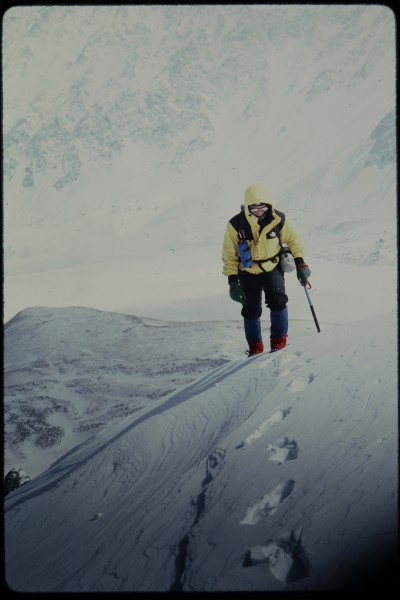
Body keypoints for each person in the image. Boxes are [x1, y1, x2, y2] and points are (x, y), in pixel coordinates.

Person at [222, 182, 311, 355]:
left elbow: (293, 240)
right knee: (251, 309)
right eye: (254, 209)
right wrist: (233, 282)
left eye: (262, 208)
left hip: (272, 268)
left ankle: (279, 343)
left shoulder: (278, 219)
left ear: (269, 205)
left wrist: (301, 264)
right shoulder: (235, 224)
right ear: (248, 207)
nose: (259, 212)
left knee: (278, 302)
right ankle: (255, 348)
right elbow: (229, 254)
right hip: (247, 272)